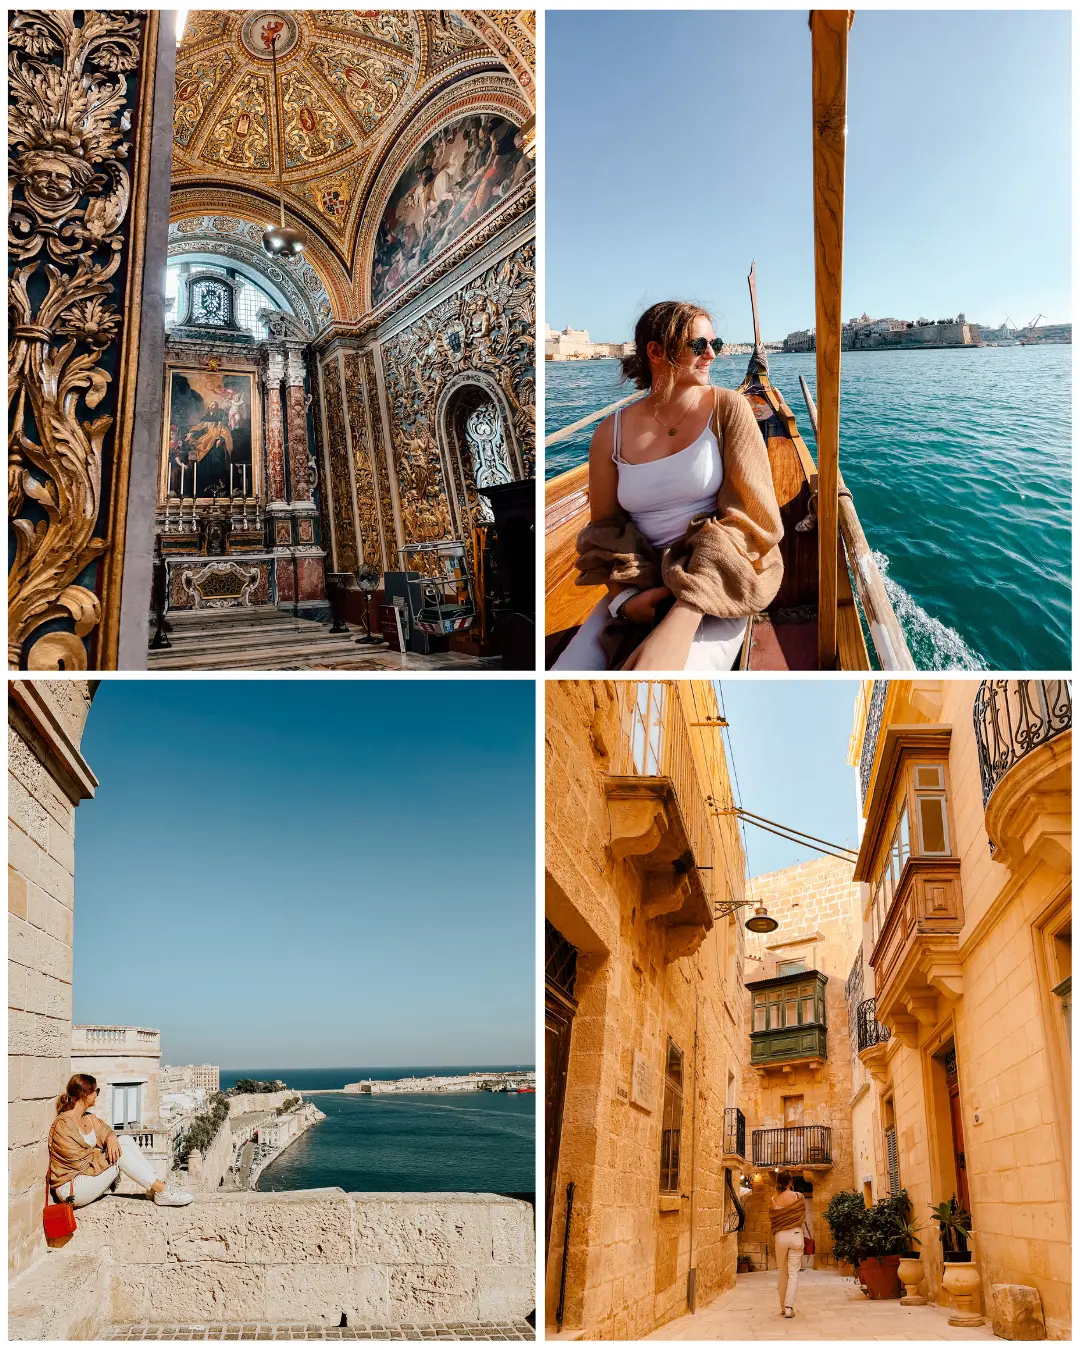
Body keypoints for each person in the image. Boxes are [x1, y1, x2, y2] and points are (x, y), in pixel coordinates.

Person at [553, 301, 783, 671]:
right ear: (655, 352)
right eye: (698, 345)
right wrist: (624, 599)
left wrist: (685, 611)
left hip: (719, 580)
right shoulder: (608, 435)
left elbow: (748, 520)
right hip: (640, 583)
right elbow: (606, 530)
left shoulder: (729, 409)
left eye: (716, 344)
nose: (711, 355)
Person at [47, 1074, 193, 1209]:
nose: (97, 1095)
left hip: (86, 1178)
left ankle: (155, 1188)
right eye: (96, 1091)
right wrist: (104, 1154)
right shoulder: (64, 1124)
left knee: (124, 1140)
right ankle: (162, 1191)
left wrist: (110, 1138)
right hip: (71, 1191)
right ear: (85, 1094)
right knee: (119, 1155)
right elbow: (77, 1162)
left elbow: (103, 1129)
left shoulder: (87, 1118)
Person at [769, 1170, 812, 1318]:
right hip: (795, 1236)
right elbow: (801, 1215)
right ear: (790, 1182)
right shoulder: (798, 1197)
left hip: (780, 1237)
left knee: (782, 1272)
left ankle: (782, 1306)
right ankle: (789, 1307)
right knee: (793, 1273)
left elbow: (773, 1219)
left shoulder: (773, 1200)